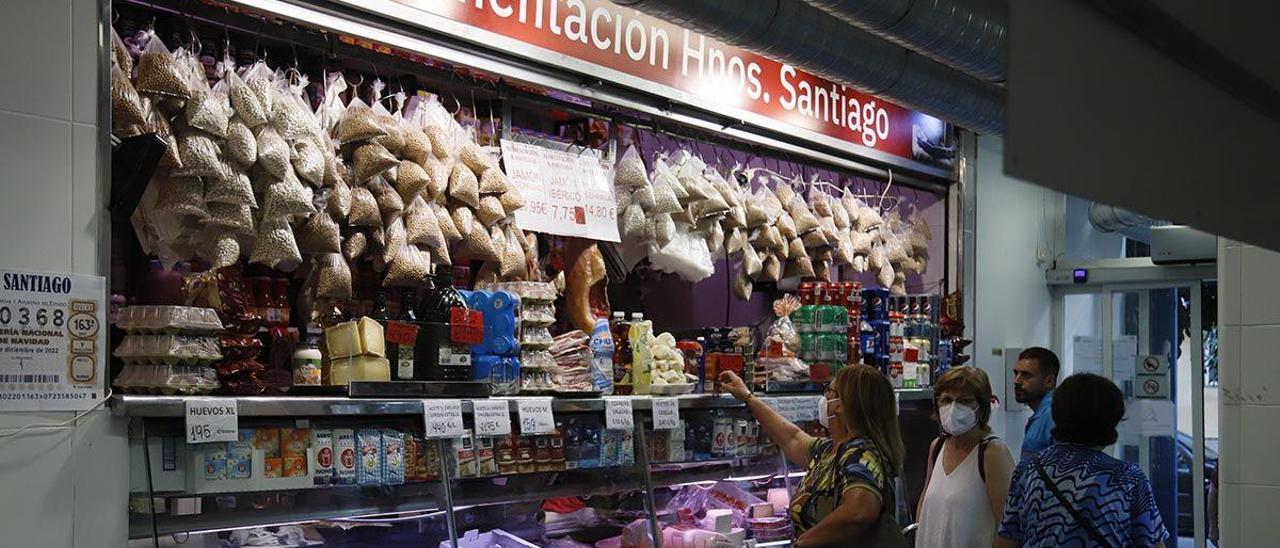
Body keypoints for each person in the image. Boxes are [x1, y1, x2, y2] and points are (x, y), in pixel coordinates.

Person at [719, 366, 907, 548]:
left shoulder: (860, 455)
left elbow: (860, 511)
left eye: (829, 391)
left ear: (841, 406)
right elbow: (792, 437)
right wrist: (747, 396)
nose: (825, 398)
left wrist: (805, 541)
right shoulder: (829, 450)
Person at [996, 373, 1168, 548]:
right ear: (1110, 420)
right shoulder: (1128, 477)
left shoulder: (1028, 469)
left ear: (1058, 413)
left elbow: (1006, 540)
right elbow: (1152, 542)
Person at [915, 366, 1015, 548]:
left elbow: (1009, 526)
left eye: (965, 401)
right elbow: (926, 501)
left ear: (982, 407)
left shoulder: (992, 453)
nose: (953, 408)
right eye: (946, 400)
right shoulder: (937, 446)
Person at [1013, 347, 1059, 461]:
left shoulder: (1054, 416)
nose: (1016, 381)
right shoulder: (1042, 415)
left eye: (1026, 375)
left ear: (1049, 381)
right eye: (1016, 373)